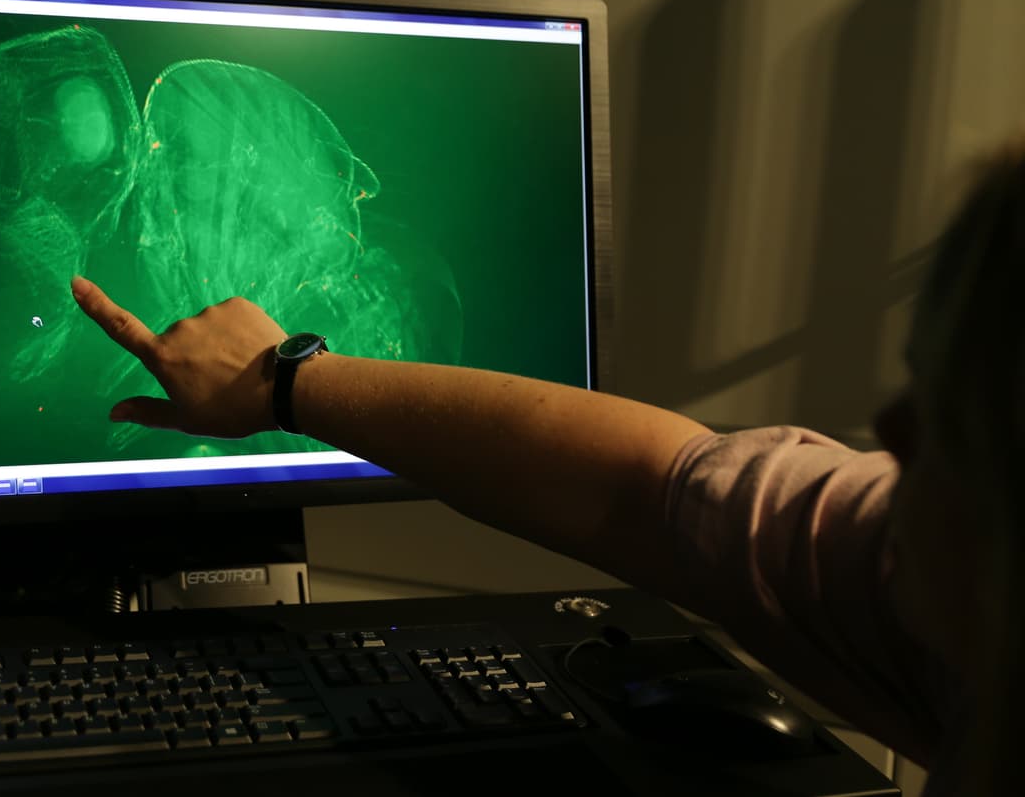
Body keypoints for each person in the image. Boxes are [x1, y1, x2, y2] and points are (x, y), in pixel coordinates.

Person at [69, 132, 1024, 797]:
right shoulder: (955, 597)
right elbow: (655, 488)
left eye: (963, 406)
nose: (891, 430)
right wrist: (288, 385)